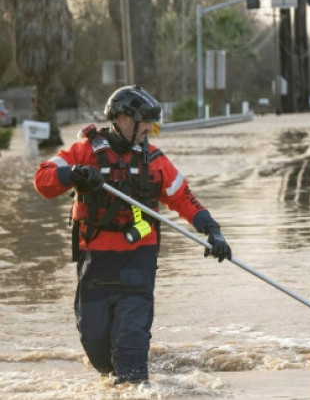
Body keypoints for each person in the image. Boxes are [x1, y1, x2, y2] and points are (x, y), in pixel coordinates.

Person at [33, 85, 232, 385]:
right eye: (145, 121)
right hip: (95, 262)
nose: (150, 128)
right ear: (124, 118)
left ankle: (137, 384)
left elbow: (184, 199)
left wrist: (213, 231)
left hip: (138, 262)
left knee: (130, 354)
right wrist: (73, 173)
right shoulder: (84, 151)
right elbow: (42, 180)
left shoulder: (155, 160)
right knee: (96, 348)